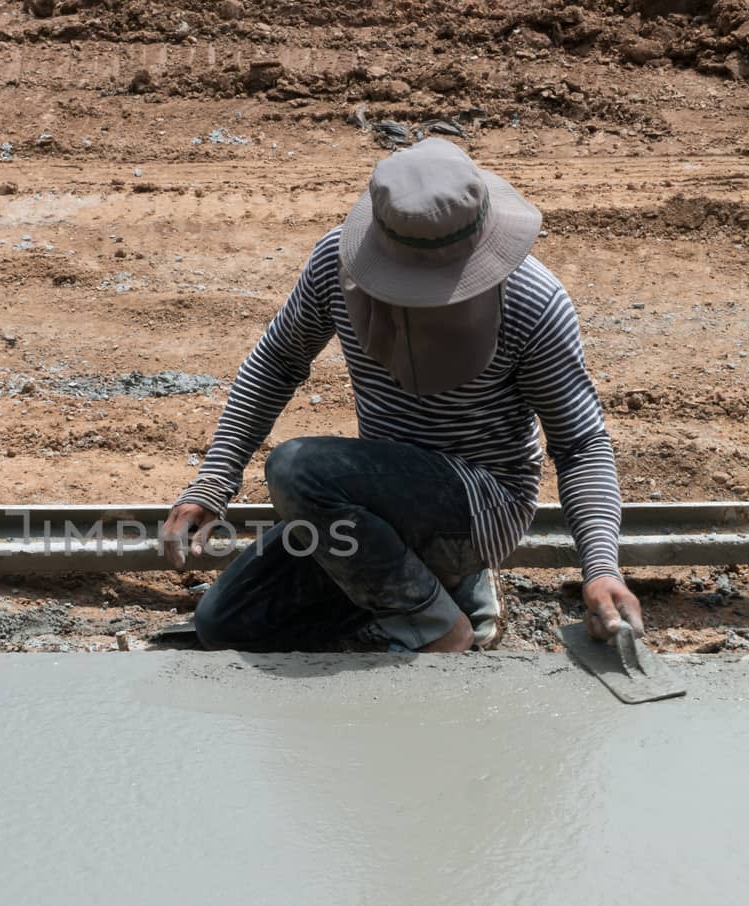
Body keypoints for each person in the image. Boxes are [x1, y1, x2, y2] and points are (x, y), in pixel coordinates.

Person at [160, 137, 642, 653]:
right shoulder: (336, 266)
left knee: (297, 467)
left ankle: (438, 620)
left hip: (480, 508)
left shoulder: (531, 301)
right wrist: (213, 481)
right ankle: (443, 594)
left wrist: (600, 567)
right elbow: (277, 361)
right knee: (225, 623)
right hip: (378, 507)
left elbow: (580, 443)